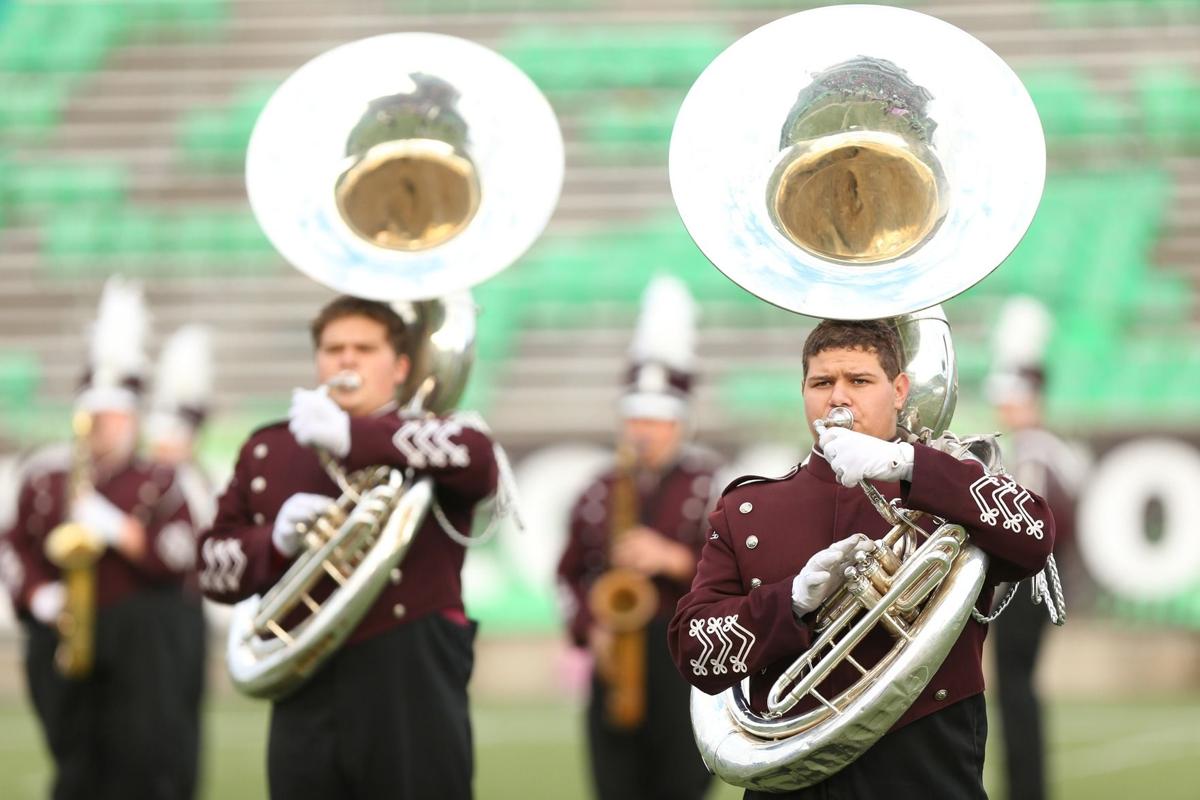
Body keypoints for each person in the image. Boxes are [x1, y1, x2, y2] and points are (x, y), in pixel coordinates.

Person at [669, 318, 1057, 800]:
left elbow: (1036, 537)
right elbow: (693, 651)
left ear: (899, 390)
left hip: (926, 773)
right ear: (804, 392)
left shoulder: (948, 485)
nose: (838, 398)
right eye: (822, 383)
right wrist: (787, 601)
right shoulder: (751, 509)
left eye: (859, 381)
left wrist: (909, 466)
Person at [197, 295, 499, 800]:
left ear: (401, 366)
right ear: (317, 361)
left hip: (411, 673)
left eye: (365, 348)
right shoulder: (271, 449)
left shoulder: (436, 435)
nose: (347, 360)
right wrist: (272, 541)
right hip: (305, 675)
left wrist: (352, 435)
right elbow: (211, 569)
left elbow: (480, 463)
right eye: (333, 348)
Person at [0, 277, 199, 800]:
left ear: (132, 420)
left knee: (141, 759)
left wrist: (115, 526)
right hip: (61, 632)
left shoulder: (156, 481)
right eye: (95, 414)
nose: (102, 426)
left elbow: (178, 557)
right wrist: (38, 594)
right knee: (74, 761)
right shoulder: (46, 476)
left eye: (114, 416)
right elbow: (13, 543)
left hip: (138, 634)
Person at [558, 276, 715, 800]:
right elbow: (568, 572)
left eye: (656, 421)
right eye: (635, 420)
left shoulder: (709, 487)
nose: (643, 431)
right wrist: (588, 625)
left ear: (680, 426)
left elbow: (742, 575)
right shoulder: (598, 490)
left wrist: (674, 559)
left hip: (686, 661)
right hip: (615, 658)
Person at [986, 297, 1084, 800]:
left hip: (1027, 587)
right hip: (1035, 584)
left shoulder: (1034, 451)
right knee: (1015, 689)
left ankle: (1027, 789)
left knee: (1015, 688)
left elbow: (1032, 527)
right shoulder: (1046, 448)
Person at [145, 324, 218, 800]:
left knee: (180, 719)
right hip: (152, 614)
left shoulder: (195, 481)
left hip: (184, 611)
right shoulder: (155, 483)